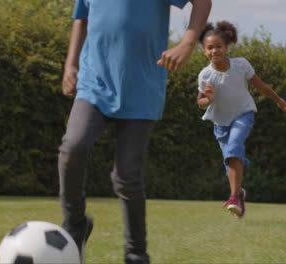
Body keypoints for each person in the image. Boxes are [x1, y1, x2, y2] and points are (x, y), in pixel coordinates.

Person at [59, 0, 211, 263]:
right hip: (93, 82)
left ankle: (136, 252)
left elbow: (202, 2)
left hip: (142, 85)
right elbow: (81, 19)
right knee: (73, 146)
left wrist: (187, 42)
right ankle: (75, 224)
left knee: (127, 174)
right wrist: (70, 65)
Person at [196, 21, 286, 218]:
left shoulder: (241, 65)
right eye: (209, 48)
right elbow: (200, 102)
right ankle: (239, 194)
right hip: (220, 123)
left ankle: (232, 197)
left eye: (219, 46)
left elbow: (261, 86)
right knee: (230, 160)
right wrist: (209, 99)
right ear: (204, 50)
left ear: (227, 46)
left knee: (233, 148)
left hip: (243, 114)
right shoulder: (205, 75)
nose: (215, 51)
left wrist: (278, 100)